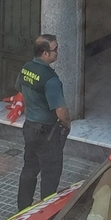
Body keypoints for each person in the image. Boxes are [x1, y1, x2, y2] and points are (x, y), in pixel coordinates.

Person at [16, 33, 70, 210]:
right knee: (50, 175)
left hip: (30, 127)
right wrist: (67, 124)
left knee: (29, 169)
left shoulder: (26, 68)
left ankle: (22, 209)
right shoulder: (50, 78)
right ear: (45, 53)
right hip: (47, 133)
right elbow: (60, 110)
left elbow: (21, 89)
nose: (57, 52)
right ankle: (46, 213)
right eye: (55, 49)